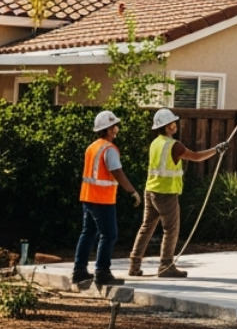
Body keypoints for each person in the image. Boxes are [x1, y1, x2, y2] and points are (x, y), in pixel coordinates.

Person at [129, 108, 227, 278]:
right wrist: (216, 150)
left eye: (174, 123)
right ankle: (166, 266)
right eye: (172, 123)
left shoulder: (155, 143)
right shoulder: (174, 145)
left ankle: (134, 265)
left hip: (151, 190)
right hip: (166, 193)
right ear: (166, 126)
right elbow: (196, 157)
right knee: (171, 229)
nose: (175, 125)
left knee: (146, 228)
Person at [71, 110, 141, 288]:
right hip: (102, 200)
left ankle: (79, 271)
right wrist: (132, 191)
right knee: (109, 235)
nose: (116, 129)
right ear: (108, 129)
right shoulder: (109, 149)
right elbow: (116, 171)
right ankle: (102, 273)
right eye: (114, 126)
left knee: (88, 233)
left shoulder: (92, 147)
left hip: (88, 197)